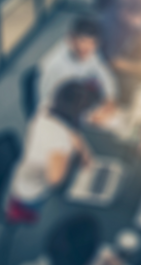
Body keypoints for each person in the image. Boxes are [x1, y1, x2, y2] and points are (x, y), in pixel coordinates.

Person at [6, 82, 95, 222]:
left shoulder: (47, 108)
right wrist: (69, 157)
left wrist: (85, 154)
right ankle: (26, 213)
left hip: (22, 175)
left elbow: (73, 133)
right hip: (30, 195)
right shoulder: (60, 142)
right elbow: (55, 181)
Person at [39, 16, 118, 123]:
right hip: (58, 117)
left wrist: (109, 99)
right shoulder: (54, 66)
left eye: (92, 43)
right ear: (71, 38)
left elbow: (103, 73)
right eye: (82, 41)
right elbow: (47, 107)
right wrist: (86, 119)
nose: (87, 47)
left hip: (78, 105)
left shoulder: (88, 52)